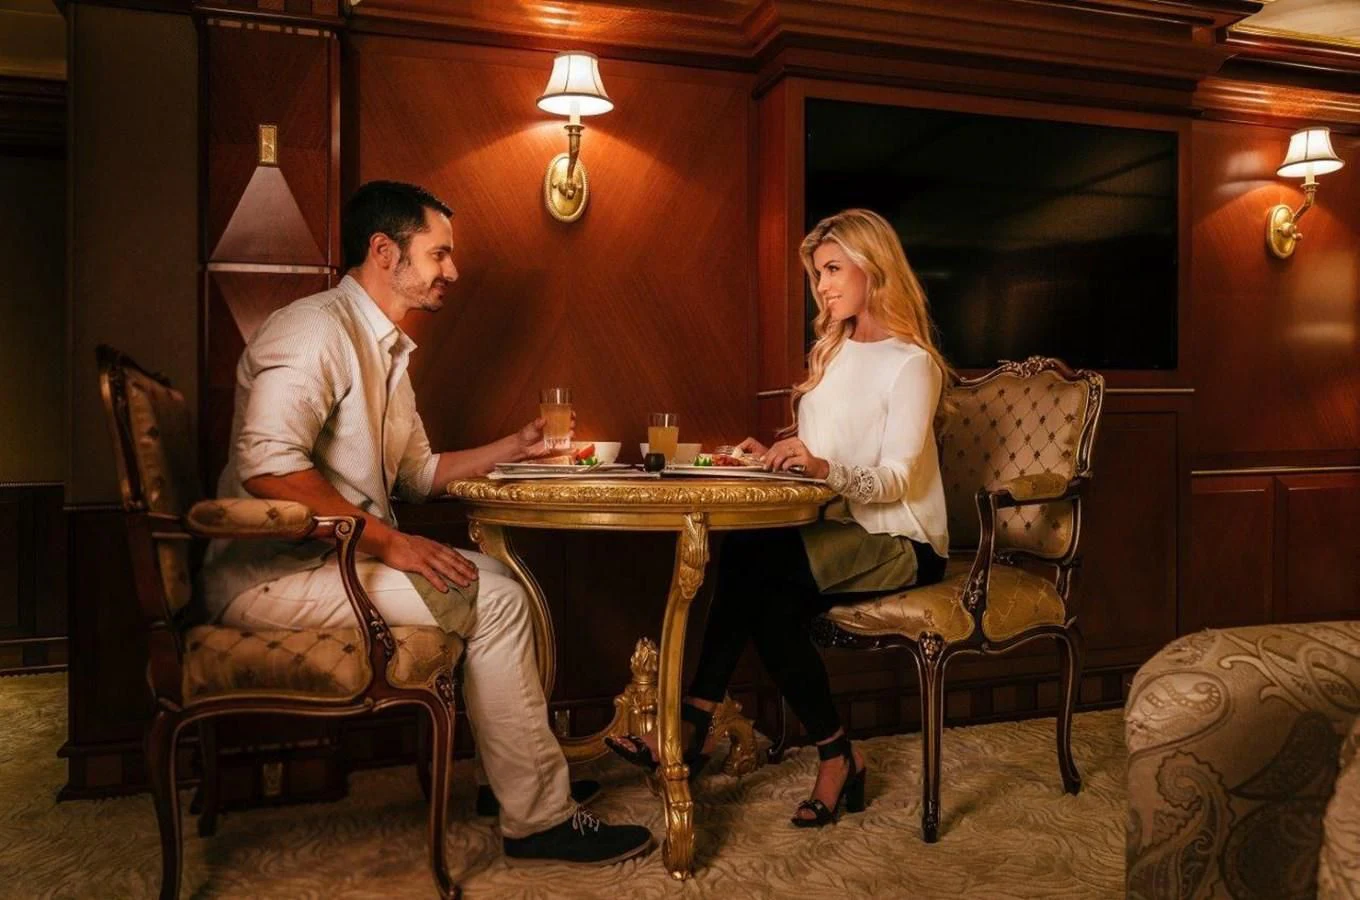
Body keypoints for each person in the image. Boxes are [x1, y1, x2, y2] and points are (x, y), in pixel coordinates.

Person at [200, 180, 652, 865]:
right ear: (385, 252)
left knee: (502, 582)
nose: (453, 271)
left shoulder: (386, 349)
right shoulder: (314, 328)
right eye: (439, 254)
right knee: (495, 597)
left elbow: (417, 473)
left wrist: (513, 448)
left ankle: (515, 787)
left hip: (337, 565)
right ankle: (538, 821)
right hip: (268, 577)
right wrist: (393, 542)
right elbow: (268, 468)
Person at [606, 208, 953, 828]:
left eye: (832, 269)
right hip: (839, 527)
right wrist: (775, 457)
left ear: (874, 269)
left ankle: (694, 726)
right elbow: (826, 452)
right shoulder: (835, 351)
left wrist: (820, 469)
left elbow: (896, 478)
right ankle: (833, 753)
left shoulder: (912, 363)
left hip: (900, 536)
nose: (821, 285)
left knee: (753, 568)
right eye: (818, 273)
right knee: (755, 571)